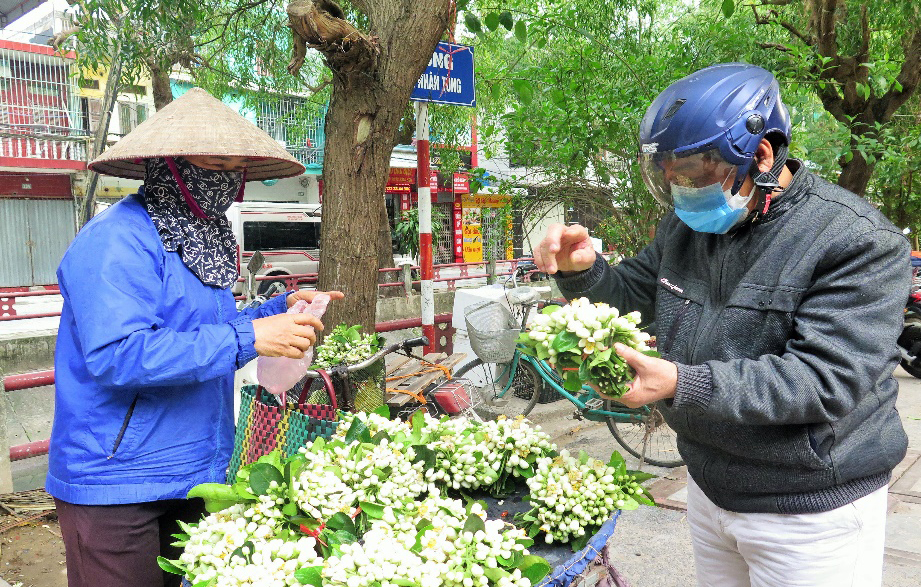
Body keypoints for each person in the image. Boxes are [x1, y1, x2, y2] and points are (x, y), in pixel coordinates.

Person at [534, 63, 910, 587]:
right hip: (710, 489)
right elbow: (633, 298)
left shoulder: (855, 241)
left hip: (808, 510)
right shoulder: (686, 227)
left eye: (693, 174)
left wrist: (681, 384)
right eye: (669, 175)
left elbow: (825, 381)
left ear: (760, 155)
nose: (681, 191)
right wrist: (583, 274)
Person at [46, 88, 343, 587]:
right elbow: (119, 355)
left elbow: (200, 330)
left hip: (194, 469)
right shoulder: (116, 238)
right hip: (116, 481)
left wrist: (277, 310)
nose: (226, 176)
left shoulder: (202, 239)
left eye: (235, 165)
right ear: (169, 164)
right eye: (212, 161)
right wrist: (250, 335)